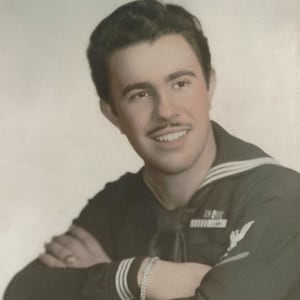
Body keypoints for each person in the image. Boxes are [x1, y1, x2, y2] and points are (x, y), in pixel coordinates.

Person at [4, 0, 300, 299]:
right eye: (140, 94)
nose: (166, 111)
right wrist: (139, 276)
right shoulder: (117, 204)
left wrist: (105, 285)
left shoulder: (281, 196)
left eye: (180, 83)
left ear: (209, 85)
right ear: (112, 114)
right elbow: (20, 293)